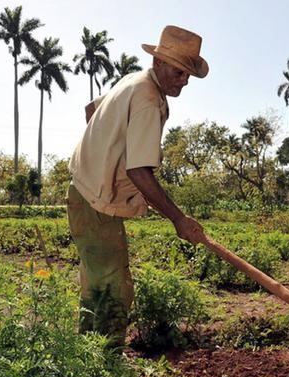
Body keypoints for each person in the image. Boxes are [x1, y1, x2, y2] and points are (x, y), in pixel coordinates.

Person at [67, 25, 209, 347]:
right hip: (96, 203)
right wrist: (178, 219)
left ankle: (87, 356)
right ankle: (105, 365)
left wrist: (104, 151)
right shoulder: (148, 99)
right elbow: (139, 172)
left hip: (84, 192)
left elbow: (91, 110)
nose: (184, 80)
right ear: (159, 63)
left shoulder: (133, 80)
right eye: (179, 71)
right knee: (114, 291)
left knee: (97, 285)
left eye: (188, 74)